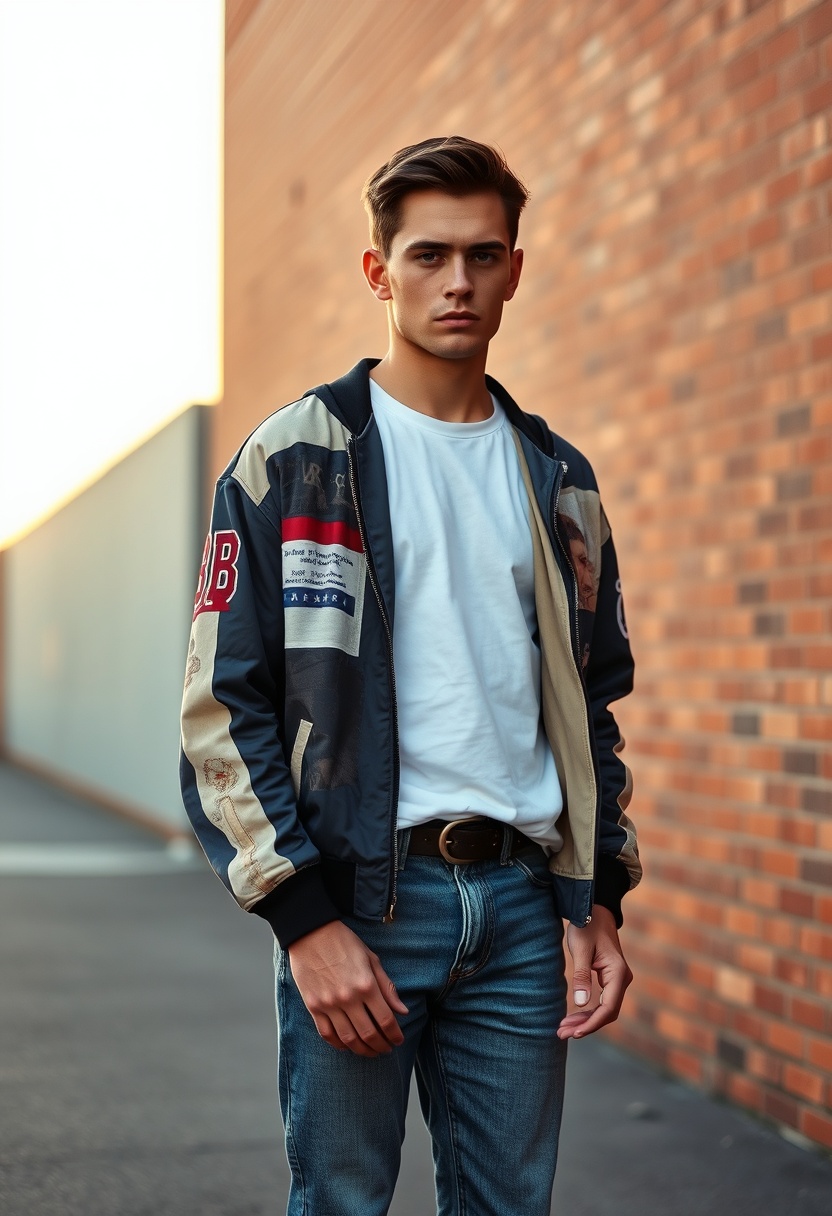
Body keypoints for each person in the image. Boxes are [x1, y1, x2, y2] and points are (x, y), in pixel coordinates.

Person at [180, 135, 641, 1216]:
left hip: (525, 908)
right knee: (341, 1200)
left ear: (514, 270)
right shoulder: (294, 461)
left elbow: (592, 709)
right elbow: (219, 712)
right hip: (361, 904)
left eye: (484, 256)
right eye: (429, 255)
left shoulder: (559, 481)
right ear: (378, 270)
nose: (459, 282)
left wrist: (600, 897)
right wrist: (303, 919)